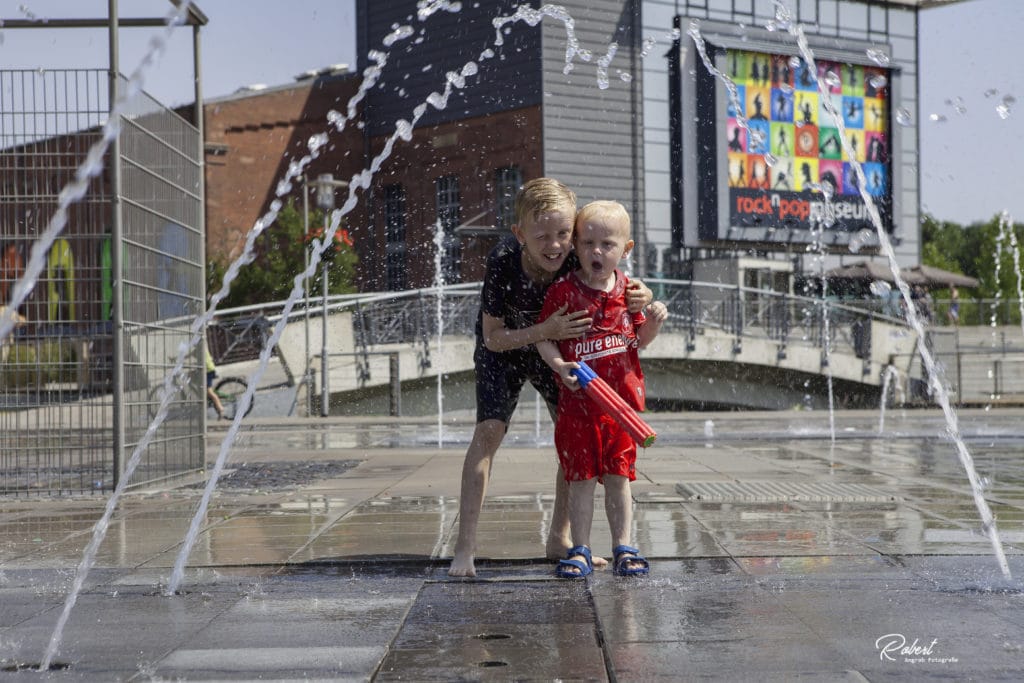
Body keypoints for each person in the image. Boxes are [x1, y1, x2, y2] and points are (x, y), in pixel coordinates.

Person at [447, 179, 652, 578]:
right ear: (520, 235)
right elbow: (493, 336)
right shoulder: (504, 261)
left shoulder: (579, 256)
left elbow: (617, 281)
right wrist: (544, 332)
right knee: (488, 432)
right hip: (505, 348)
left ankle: (561, 538)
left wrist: (641, 293)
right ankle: (464, 547)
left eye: (564, 234)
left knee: (573, 432)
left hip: (557, 350)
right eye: (542, 236)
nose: (556, 245)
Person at [535, 200, 668, 579]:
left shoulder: (629, 293)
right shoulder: (563, 292)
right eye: (588, 243)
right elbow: (545, 337)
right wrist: (559, 365)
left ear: (625, 249)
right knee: (579, 481)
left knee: (618, 479)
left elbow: (639, 342)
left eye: (607, 244)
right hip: (578, 408)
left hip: (621, 411)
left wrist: (654, 323)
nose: (596, 251)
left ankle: (624, 546)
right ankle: (580, 548)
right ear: (576, 246)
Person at [205, 338, 225, 419]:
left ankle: (220, 408)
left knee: (208, 391)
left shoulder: (200, 348)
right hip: (209, 369)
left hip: (208, 370)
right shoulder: (201, 346)